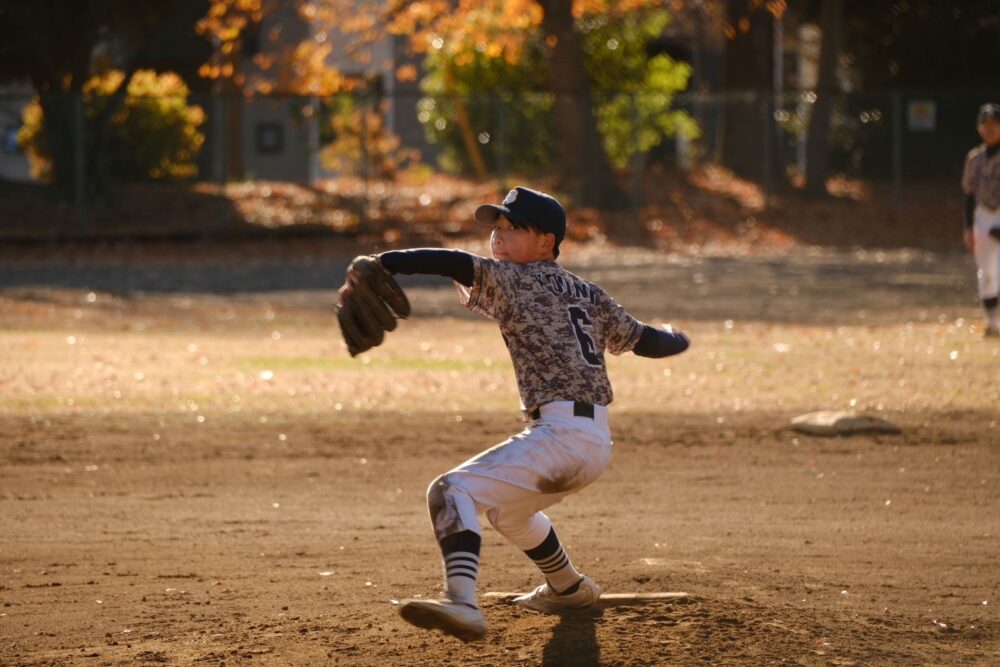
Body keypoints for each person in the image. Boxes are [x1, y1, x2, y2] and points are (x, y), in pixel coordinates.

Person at [339, 186, 690, 642]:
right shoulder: (588, 292)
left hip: (560, 437)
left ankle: (462, 603)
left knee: (449, 492)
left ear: (546, 241)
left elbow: (454, 262)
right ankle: (568, 588)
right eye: (496, 229)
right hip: (593, 442)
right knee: (508, 513)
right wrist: (682, 337)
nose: (498, 238)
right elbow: (649, 341)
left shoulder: (514, 280)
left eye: (512, 228)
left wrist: (387, 262)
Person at [962, 102, 1000, 337]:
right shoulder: (974, 158)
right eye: (985, 124)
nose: (989, 129)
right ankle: (993, 322)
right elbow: (968, 193)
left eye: (994, 124)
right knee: (986, 270)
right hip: (984, 215)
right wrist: (968, 227)